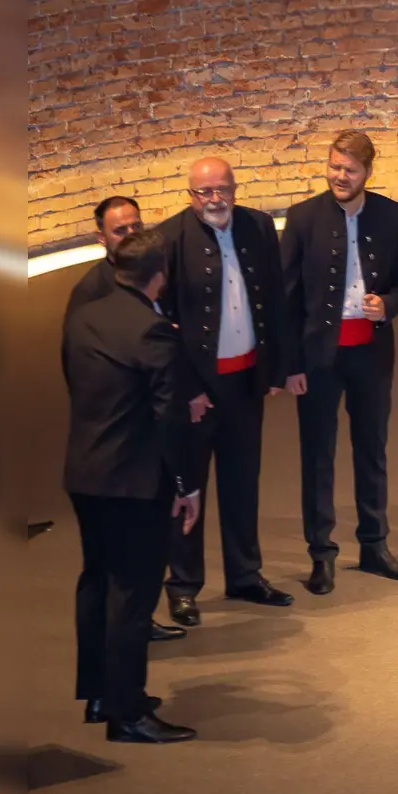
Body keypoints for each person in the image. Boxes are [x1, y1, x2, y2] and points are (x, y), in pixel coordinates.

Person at [61, 230, 202, 743]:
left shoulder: (82, 316)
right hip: (133, 483)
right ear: (159, 276)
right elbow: (170, 419)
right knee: (132, 595)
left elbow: (74, 383)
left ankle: (99, 694)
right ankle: (128, 713)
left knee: (96, 582)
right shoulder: (154, 331)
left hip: (85, 473)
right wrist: (187, 486)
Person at [156, 157, 299, 625]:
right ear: (190, 195)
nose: (215, 199)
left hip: (245, 381)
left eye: (223, 189)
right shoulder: (169, 239)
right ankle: (183, 586)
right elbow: (161, 326)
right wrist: (186, 388)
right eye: (205, 192)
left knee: (243, 482)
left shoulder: (259, 226)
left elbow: (275, 300)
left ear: (235, 189)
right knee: (189, 486)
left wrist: (282, 367)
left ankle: (245, 574)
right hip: (196, 391)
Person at [282, 130, 398, 595]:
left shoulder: (392, 216)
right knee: (317, 456)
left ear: (367, 172)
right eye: (334, 167)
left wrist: (389, 304)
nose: (339, 176)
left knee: (372, 450)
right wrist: (290, 365)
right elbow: (286, 298)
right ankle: (321, 554)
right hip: (317, 357)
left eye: (349, 169)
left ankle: (374, 546)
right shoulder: (303, 218)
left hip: (371, 353)